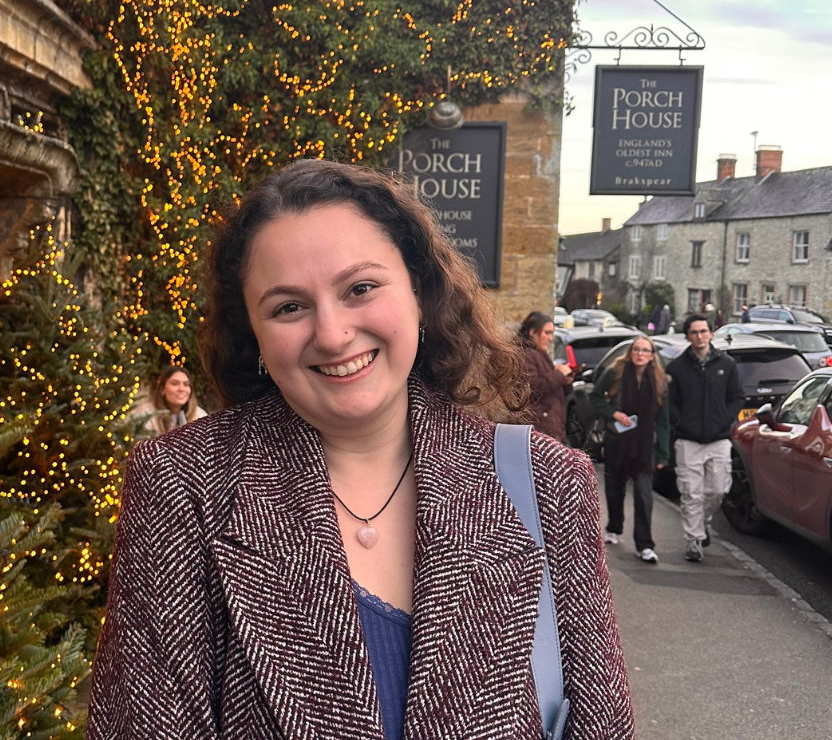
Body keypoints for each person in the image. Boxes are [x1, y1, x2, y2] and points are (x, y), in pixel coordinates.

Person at [89, 160, 633, 740]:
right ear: (254, 334)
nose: (331, 332)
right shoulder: (182, 484)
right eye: (288, 307)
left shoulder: (546, 484)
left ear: (420, 294)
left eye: (361, 288)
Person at [666, 313, 744, 563]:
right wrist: (681, 422)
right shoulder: (677, 367)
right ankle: (694, 541)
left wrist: (725, 421)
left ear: (711, 333)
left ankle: (703, 521)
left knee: (717, 490)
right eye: (694, 332)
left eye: (703, 331)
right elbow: (670, 403)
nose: (699, 336)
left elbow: (737, 398)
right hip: (688, 440)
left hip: (718, 439)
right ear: (687, 336)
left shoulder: (727, 364)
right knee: (691, 492)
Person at [589, 337, 669, 563]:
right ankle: (614, 527)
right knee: (615, 488)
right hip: (618, 441)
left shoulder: (660, 381)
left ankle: (645, 544)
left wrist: (663, 452)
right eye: (636, 349)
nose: (640, 354)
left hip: (645, 446)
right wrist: (615, 414)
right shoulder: (616, 371)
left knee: (644, 495)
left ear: (652, 355)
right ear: (630, 352)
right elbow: (595, 397)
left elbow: (663, 418)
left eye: (645, 350)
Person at [517, 311, 573, 443]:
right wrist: (559, 375)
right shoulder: (526, 354)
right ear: (532, 332)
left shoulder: (539, 354)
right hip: (538, 429)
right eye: (547, 333)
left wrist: (565, 379)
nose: (550, 338)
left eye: (551, 333)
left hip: (548, 426)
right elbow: (533, 388)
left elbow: (551, 387)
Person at [129, 363, 207, 437]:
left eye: (186, 384)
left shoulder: (199, 416)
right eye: (175, 383)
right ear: (162, 389)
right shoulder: (147, 413)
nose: (181, 389)